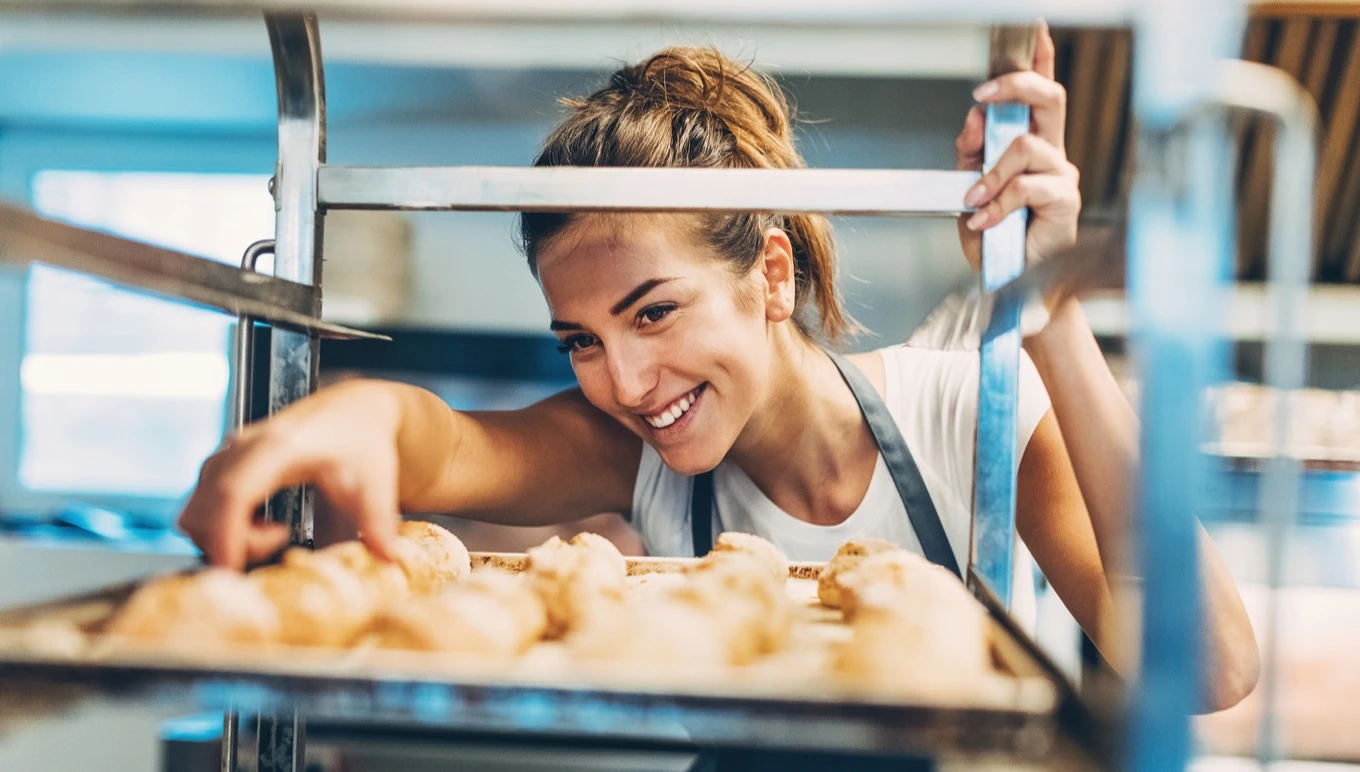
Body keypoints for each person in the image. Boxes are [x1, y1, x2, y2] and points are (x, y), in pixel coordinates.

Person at [179, 25, 1259, 710]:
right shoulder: (631, 454)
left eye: (654, 311)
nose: (630, 381)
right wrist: (353, 417)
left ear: (770, 275)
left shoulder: (961, 408)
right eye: (584, 341)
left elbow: (1207, 670)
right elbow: (449, 444)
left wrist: (1046, 300)